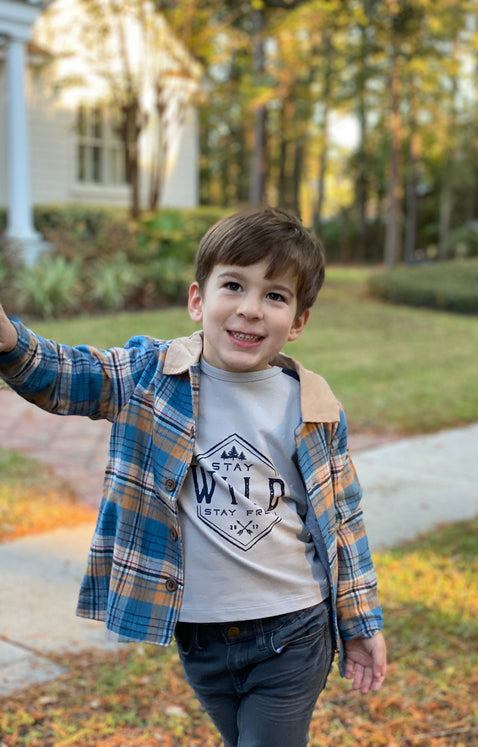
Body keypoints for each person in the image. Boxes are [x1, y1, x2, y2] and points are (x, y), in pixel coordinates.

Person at [0, 206, 386, 747]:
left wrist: (362, 623)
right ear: (197, 300)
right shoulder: (150, 376)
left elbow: (344, 523)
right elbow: (64, 374)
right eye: (234, 286)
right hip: (201, 639)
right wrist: (6, 337)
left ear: (298, 322)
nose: (250, 309)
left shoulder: (313, 407)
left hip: (293, 630)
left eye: (275, 296)